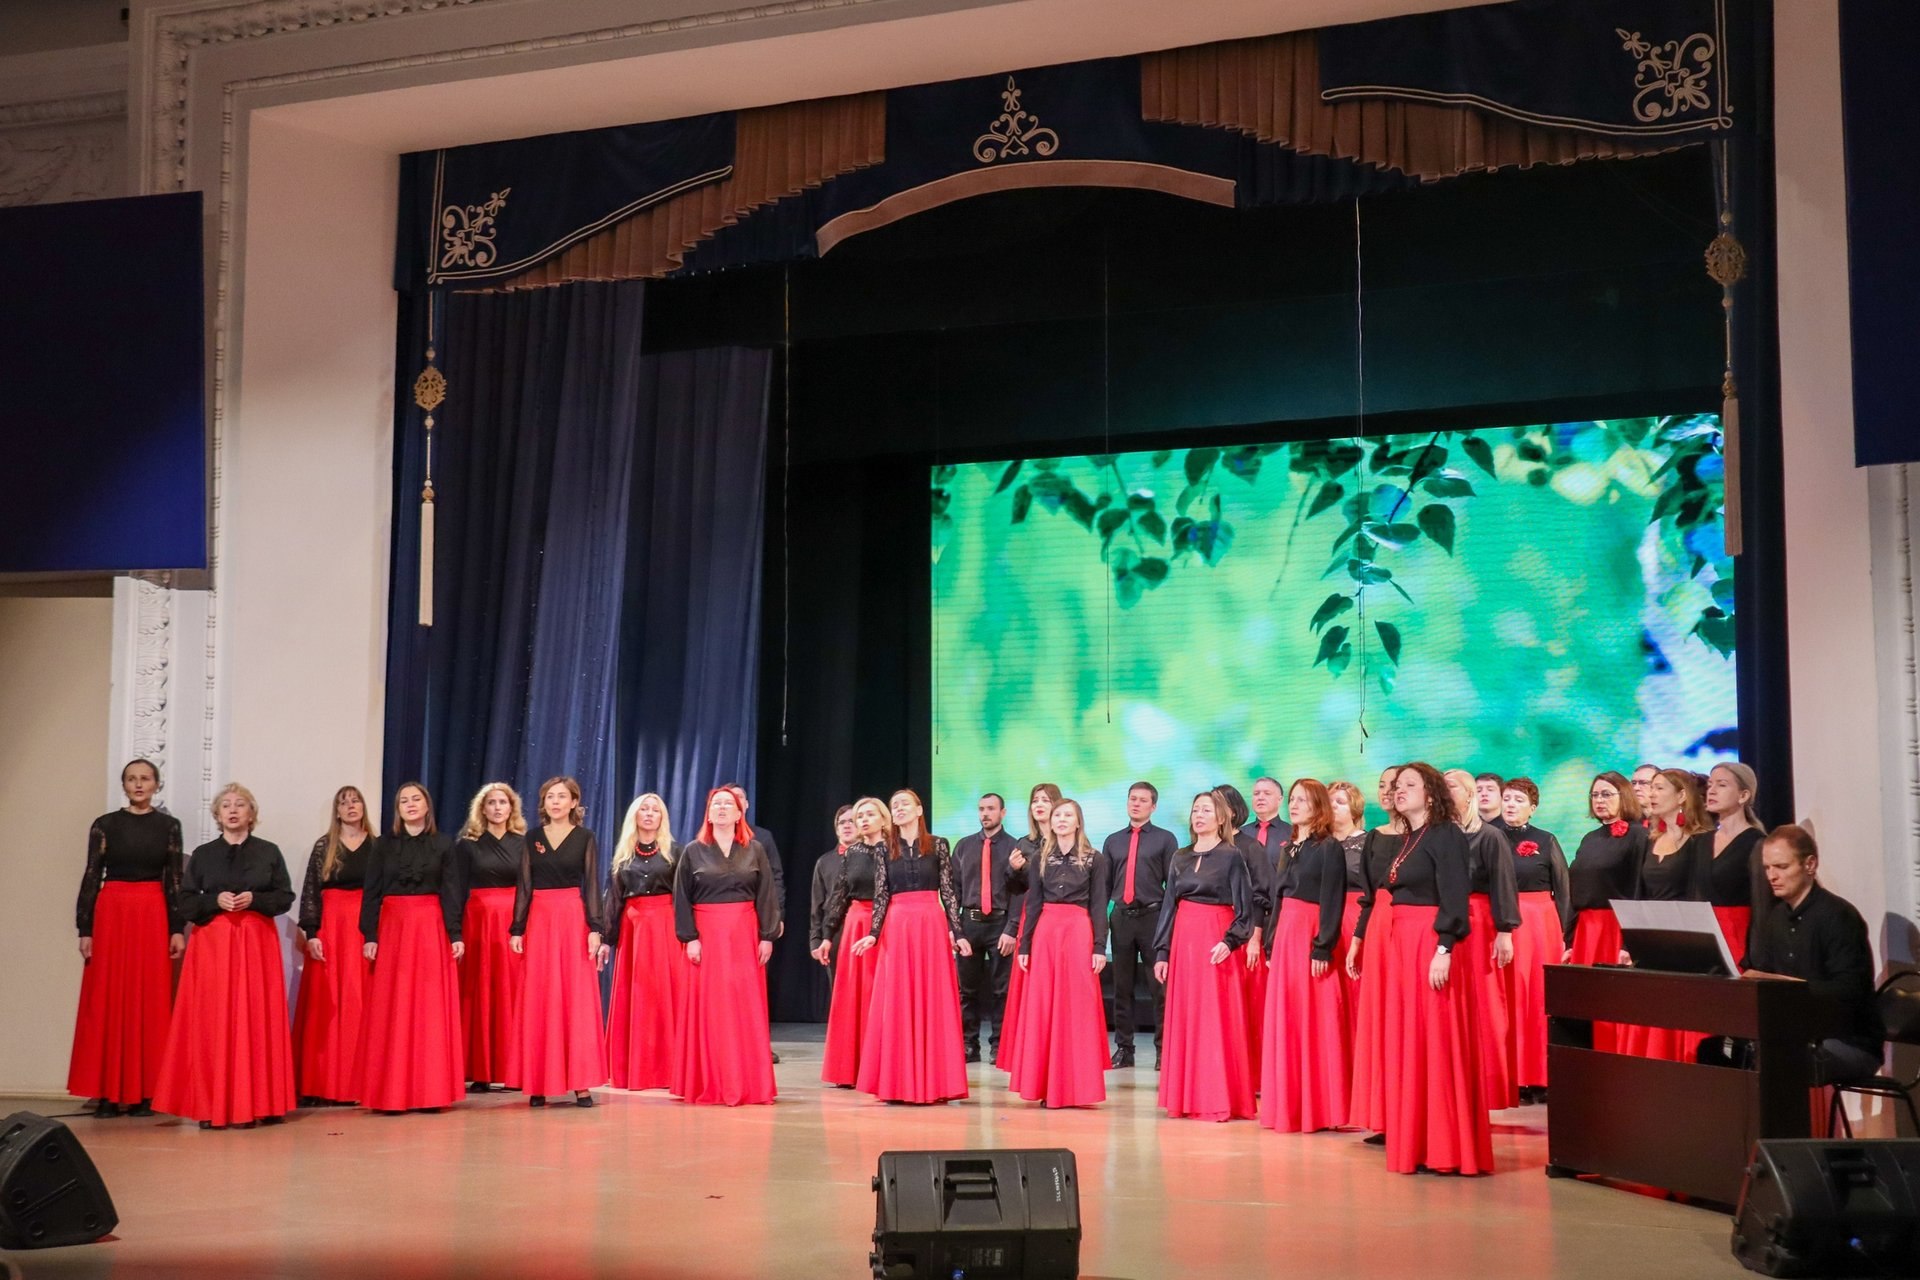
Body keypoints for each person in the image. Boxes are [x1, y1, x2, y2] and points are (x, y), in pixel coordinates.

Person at [1370, 762, 1491, 1175]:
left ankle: (1446, 1146)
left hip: (1429, 940)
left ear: (1431, 792)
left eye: (1409, 785)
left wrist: (1444, 946)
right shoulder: (1410, 836)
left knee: (1435, 1039)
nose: (1399, 792)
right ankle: (1417, 1141)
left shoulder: (1446, 834)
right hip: (1404, 943)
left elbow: (1454, 893)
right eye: (1396, 786)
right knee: (1411, 1041)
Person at [153, 783, 296, 1129]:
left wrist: (255, 900)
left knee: (255, 1019)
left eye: (241, 804)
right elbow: (186, 902)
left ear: (252, 814)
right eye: (226, 805)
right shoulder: (203, 855)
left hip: (255, 944)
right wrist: (214, 902)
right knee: (212, 1020)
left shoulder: (269, 851)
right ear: (217, 815)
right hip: (213, 946)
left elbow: (285, 896)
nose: (233, 810)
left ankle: (260, 1103)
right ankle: (211, 1104)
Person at [1697, 826, 1882, 1086]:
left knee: (1778, 1060)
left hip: (1847, 1040)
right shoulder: (1776, 918)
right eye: (1767, 868)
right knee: (1715, 1050)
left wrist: (1788, 987)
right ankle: (1729, 1127)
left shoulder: (1838, 916)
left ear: (1810, 864)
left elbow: (1848, 991)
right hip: (1796, 1034)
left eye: (1782, 867)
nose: (1772, 876)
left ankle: (1782, 1128)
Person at [70, 758, 183, 1118]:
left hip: (152, 912)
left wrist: (177, 927)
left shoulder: (169, 826)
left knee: (149, 997)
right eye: (132, 779)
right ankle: (107, 1092)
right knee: (109, 997)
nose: (138, 784)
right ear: (124, 785)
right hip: (113, 911)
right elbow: (91, 875)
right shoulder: (105, 825)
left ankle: (145, 1093)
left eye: (145, 779)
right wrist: (84, 928)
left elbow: (174, 881)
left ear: (156, 784)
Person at [844, 789, 969, 1103]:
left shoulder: (938, 844)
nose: (898, 809)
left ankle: (934, 1081)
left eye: (904, 804)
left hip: (930, 922)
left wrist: (958, 931)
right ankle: (898, 1081)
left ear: (918, 809)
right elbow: (882, 894)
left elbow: (949, 892)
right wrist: (874, 932)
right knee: (897, 1000)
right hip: (898, 926)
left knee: (933, 999)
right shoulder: (886, 848)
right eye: (894, 805)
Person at [355, 781, 465, 1114]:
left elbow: (451, 892)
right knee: (394, 1007)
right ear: (398, 809)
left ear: (427, 806)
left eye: (416, 799)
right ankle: (391, 1094)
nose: (410, 804)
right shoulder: (382, 846)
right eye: (404, 800)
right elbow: (371, 892)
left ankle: (429, 1091)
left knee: (428, 1009)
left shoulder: (444, 845)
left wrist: (455, 933)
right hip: (393, 929)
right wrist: (370, 934)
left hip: (430, 928)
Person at [672, 787, 780, 1106]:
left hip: (745, 934)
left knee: (744, 1007)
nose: (721, 808)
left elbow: (766, 893)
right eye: (715, 804)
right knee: (711, 1008)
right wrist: (689, 937)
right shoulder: (693, 850)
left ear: (738, 813)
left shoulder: (755, 849)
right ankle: (711, 1080)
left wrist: (767, 935)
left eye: (727, 804)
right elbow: (681, 897)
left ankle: (748, 1083)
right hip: (706, 935)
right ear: (708, 813)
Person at [1153, 789, 1254, 1121]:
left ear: (1221, 817)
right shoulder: (1179, 857)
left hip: (1216, 939)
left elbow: (1245, 908)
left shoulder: (1231, 855)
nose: (1199, 815)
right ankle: (1184, 1097)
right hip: (1184, 939)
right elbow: (1169, 906)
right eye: (1195, 809)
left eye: (1206, 810)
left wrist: (1230, 941)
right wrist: (1163, 951)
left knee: (1214, 1019)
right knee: (1186, 1015)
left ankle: (1217, 1097)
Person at [509, 776, 607, 1108]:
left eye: (562, 796)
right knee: (540, 996)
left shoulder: (585, 838)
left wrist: (595, 927)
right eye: (550, 796)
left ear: (574, 803)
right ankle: (538, 1080)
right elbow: (524, 884)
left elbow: (592, 884)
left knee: (574, 997)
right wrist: (517, 928)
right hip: (539, 918)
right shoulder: (532, 838)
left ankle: (580, 1082)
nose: (555, 801)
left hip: (571, 917)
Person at [1260, 779, 1352, 1133]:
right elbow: (1279, 900)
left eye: (1302, 800)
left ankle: (1320, 1106)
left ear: (1318, 806)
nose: (1295, 805)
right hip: (1285, 936)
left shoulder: (1328, 847)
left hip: (1310, 932)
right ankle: (1290, 1103)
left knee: (1315, 1017)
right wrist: (1270, 942)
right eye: (1293, 799)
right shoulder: (1290, 848)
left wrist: (1323, 945)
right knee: (1288, 1018)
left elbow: (1333, 897)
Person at [1010, 798, 1110, 1108]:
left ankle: (1076, 1086)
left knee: (1076, 1007)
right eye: (1058, 816)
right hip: (1046, 932)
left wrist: (1099, 947)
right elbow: (1034, 904)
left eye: (1068, 815)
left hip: (1078, 930)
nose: (1062, 820)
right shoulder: (1039, 856)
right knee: (1045, 1006)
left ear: (1079, 822)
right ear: (1051, 823)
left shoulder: (1095, 858)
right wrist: (1024, 945)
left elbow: (1098, 904)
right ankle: (1044, 1083)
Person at [292, 785, 376, 1106]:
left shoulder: (376, 847)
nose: (351, 805)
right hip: (331, 929)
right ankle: (322, 1084)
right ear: (337, 811)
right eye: (344, 802)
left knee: (360, 1000)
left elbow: (381, 893)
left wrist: (376, 933)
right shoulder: (324, 846)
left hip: (363, 929)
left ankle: (361, 1083)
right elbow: (311, 891)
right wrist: (312, 932)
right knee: (326, 1003)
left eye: (355, 800)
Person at [1620, 768, 1711, 1061]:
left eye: (1660, 788)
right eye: (1652, 788)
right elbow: (1639, 894)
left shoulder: (1701, 841)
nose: (1651, 794)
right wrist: (1630, 943)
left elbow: (1699, 896)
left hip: (1684, 944)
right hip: (1652, 944)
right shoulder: (1650, 840)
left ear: (1682, 795)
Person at [1445, 768, 1520, 1112]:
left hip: (1479, 923)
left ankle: (1488, 1087)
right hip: (1445, 922)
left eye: (1451, 788)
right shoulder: (1437, 835)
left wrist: (1505, 930)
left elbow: (1504, 884)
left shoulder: (1489, 836)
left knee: (1484, 1003)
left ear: (1470, 794)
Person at [606, 792, 688, 1092]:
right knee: (638, 996)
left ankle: (671, 1070)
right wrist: (606, 938)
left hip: (666, 927)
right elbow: (613, 898)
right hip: (634, 930)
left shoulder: (675, 853)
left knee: (667, 994)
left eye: (656, 809)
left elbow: (684, 897)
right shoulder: (623, 855)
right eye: (644, 809)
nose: (650, 814)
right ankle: (636, 1069)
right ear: (635, 816)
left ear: (663, 817)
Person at [1562, 771, 1647, 1053]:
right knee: (1587, 1004)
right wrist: (1570, 941)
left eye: (1607, 794)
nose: (1599, 800)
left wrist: (1629, 941)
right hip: (1587, 929)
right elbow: (1576, 890)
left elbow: (1638, 888)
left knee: (1615, 1004)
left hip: (1615, 927)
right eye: (1595, 795)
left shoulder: (1638, 835)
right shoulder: (1590, 838)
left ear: (1625, 796)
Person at [1497, 778, 1569, 1104]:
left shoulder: (1546, 839)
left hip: (1541, 923)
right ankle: (1509, 1075)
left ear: (1532, 807)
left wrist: (1569, 936)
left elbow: (1563, 890)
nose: (1510, 804)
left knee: (1538, 998)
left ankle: (1540, 1075)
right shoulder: (1490, 837)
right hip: (1503, 924)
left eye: (1518, 799)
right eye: (1507, 798)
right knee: (1508, 997)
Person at [453, 782, 527, 1094]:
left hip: (512, 921)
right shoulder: (467, 845)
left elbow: (528, 888)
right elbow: (456, 888)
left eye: (503, 803)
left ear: (512, 808)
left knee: (511, 989)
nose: (497, 808)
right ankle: (480, 1070)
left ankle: (513, 1069)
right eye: (492, 803)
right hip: (478, 921)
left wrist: (522, 925)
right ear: (482, 809)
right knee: (479, 989)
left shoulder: (523, 843)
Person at [1346, 765, 1406, 1135]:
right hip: (1379, 928)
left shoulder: (1426, 836)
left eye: (1395, 785)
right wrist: (1357, 939)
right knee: (1379, 1020)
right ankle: (1382, 1116)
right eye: (1382, 785)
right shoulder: (1374, 837)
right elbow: (1368, 897)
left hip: (1412, 926)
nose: (1386, 791)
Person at [1102, 781, 1176, 1069]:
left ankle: (1163, 1050)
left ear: (1153, 806)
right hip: (1121, 917)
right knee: (1121, 987)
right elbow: (1104, 886)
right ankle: (1124, 1048)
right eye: (1132, 799)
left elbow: (1173, 887)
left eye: (1143, 800)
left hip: (1153, 917)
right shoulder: (1113, 841)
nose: (1136, 804)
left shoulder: (1165, 839)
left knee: (1159, 986)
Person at [817, 798, 886, 1087]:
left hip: (885, 926)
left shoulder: (894, 850)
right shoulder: (852, 853)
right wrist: (827, 935)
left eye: (870, 815)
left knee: (879, 994)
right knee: (854, 996)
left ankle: (882, 1064)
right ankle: (851, 1069)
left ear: (884, 818)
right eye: (859, 817)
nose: (863, 821)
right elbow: (839, 897)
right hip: (856, 924)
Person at [994, 782, 1061, 1072]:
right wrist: (1013, 869)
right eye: (1035, 800)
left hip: (1059, 921)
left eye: (1045, 800)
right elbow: (1015, 889)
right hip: (1030, 920)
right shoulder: (1023, 844)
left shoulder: (1066, 841)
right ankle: (1027, 1052)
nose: (1039, 805)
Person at [952, 793, 1023, 1063]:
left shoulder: (1015, 846)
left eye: (991, 809)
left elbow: (1020, 892)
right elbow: (954, 891)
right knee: (966, 990)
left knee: (1001, 990)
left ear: (1002, 812)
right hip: (970, 922)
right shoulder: (964, 846)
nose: (985, 814)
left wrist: (1012, 928)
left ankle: (999, 1044)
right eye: (981, 809)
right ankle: (969, 1044)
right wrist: (955, 929)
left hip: (1000, 923)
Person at [725, 783, 784, 1065]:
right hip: (720, 923)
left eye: (737, 800)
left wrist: (776, 916)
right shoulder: (710, 840)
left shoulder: (762, 838)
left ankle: (758, 1042)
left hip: (755, 921)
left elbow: (774, 880)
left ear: (745, 807)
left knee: (754, 985)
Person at [1688, 762, 1768, 968]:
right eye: (1710, 785)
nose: (1711, 790)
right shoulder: (1702, 841)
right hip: (1704, 940)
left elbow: (1762, 907)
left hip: (1739, 940)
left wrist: (1754, 958)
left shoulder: (1756, 842)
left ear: (1743, 796)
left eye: (1721, 785)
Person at [1216, 782, 1270, 1073]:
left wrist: (1254, 936)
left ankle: (1250, 1071)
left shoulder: (1250, 846)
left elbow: (1262, 894)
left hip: (1244, 932)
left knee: (1246, 1006)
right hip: (1213, 932)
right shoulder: (1207, 846)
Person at [807, 806, 858, 1003]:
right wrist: (816, 939)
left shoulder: (876, 856)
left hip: (864, 928)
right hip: (835, 933)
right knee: (840, 990)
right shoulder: (825, 862)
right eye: (841, 822)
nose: (846, 825)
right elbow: (817, 904)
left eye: (851, 820)